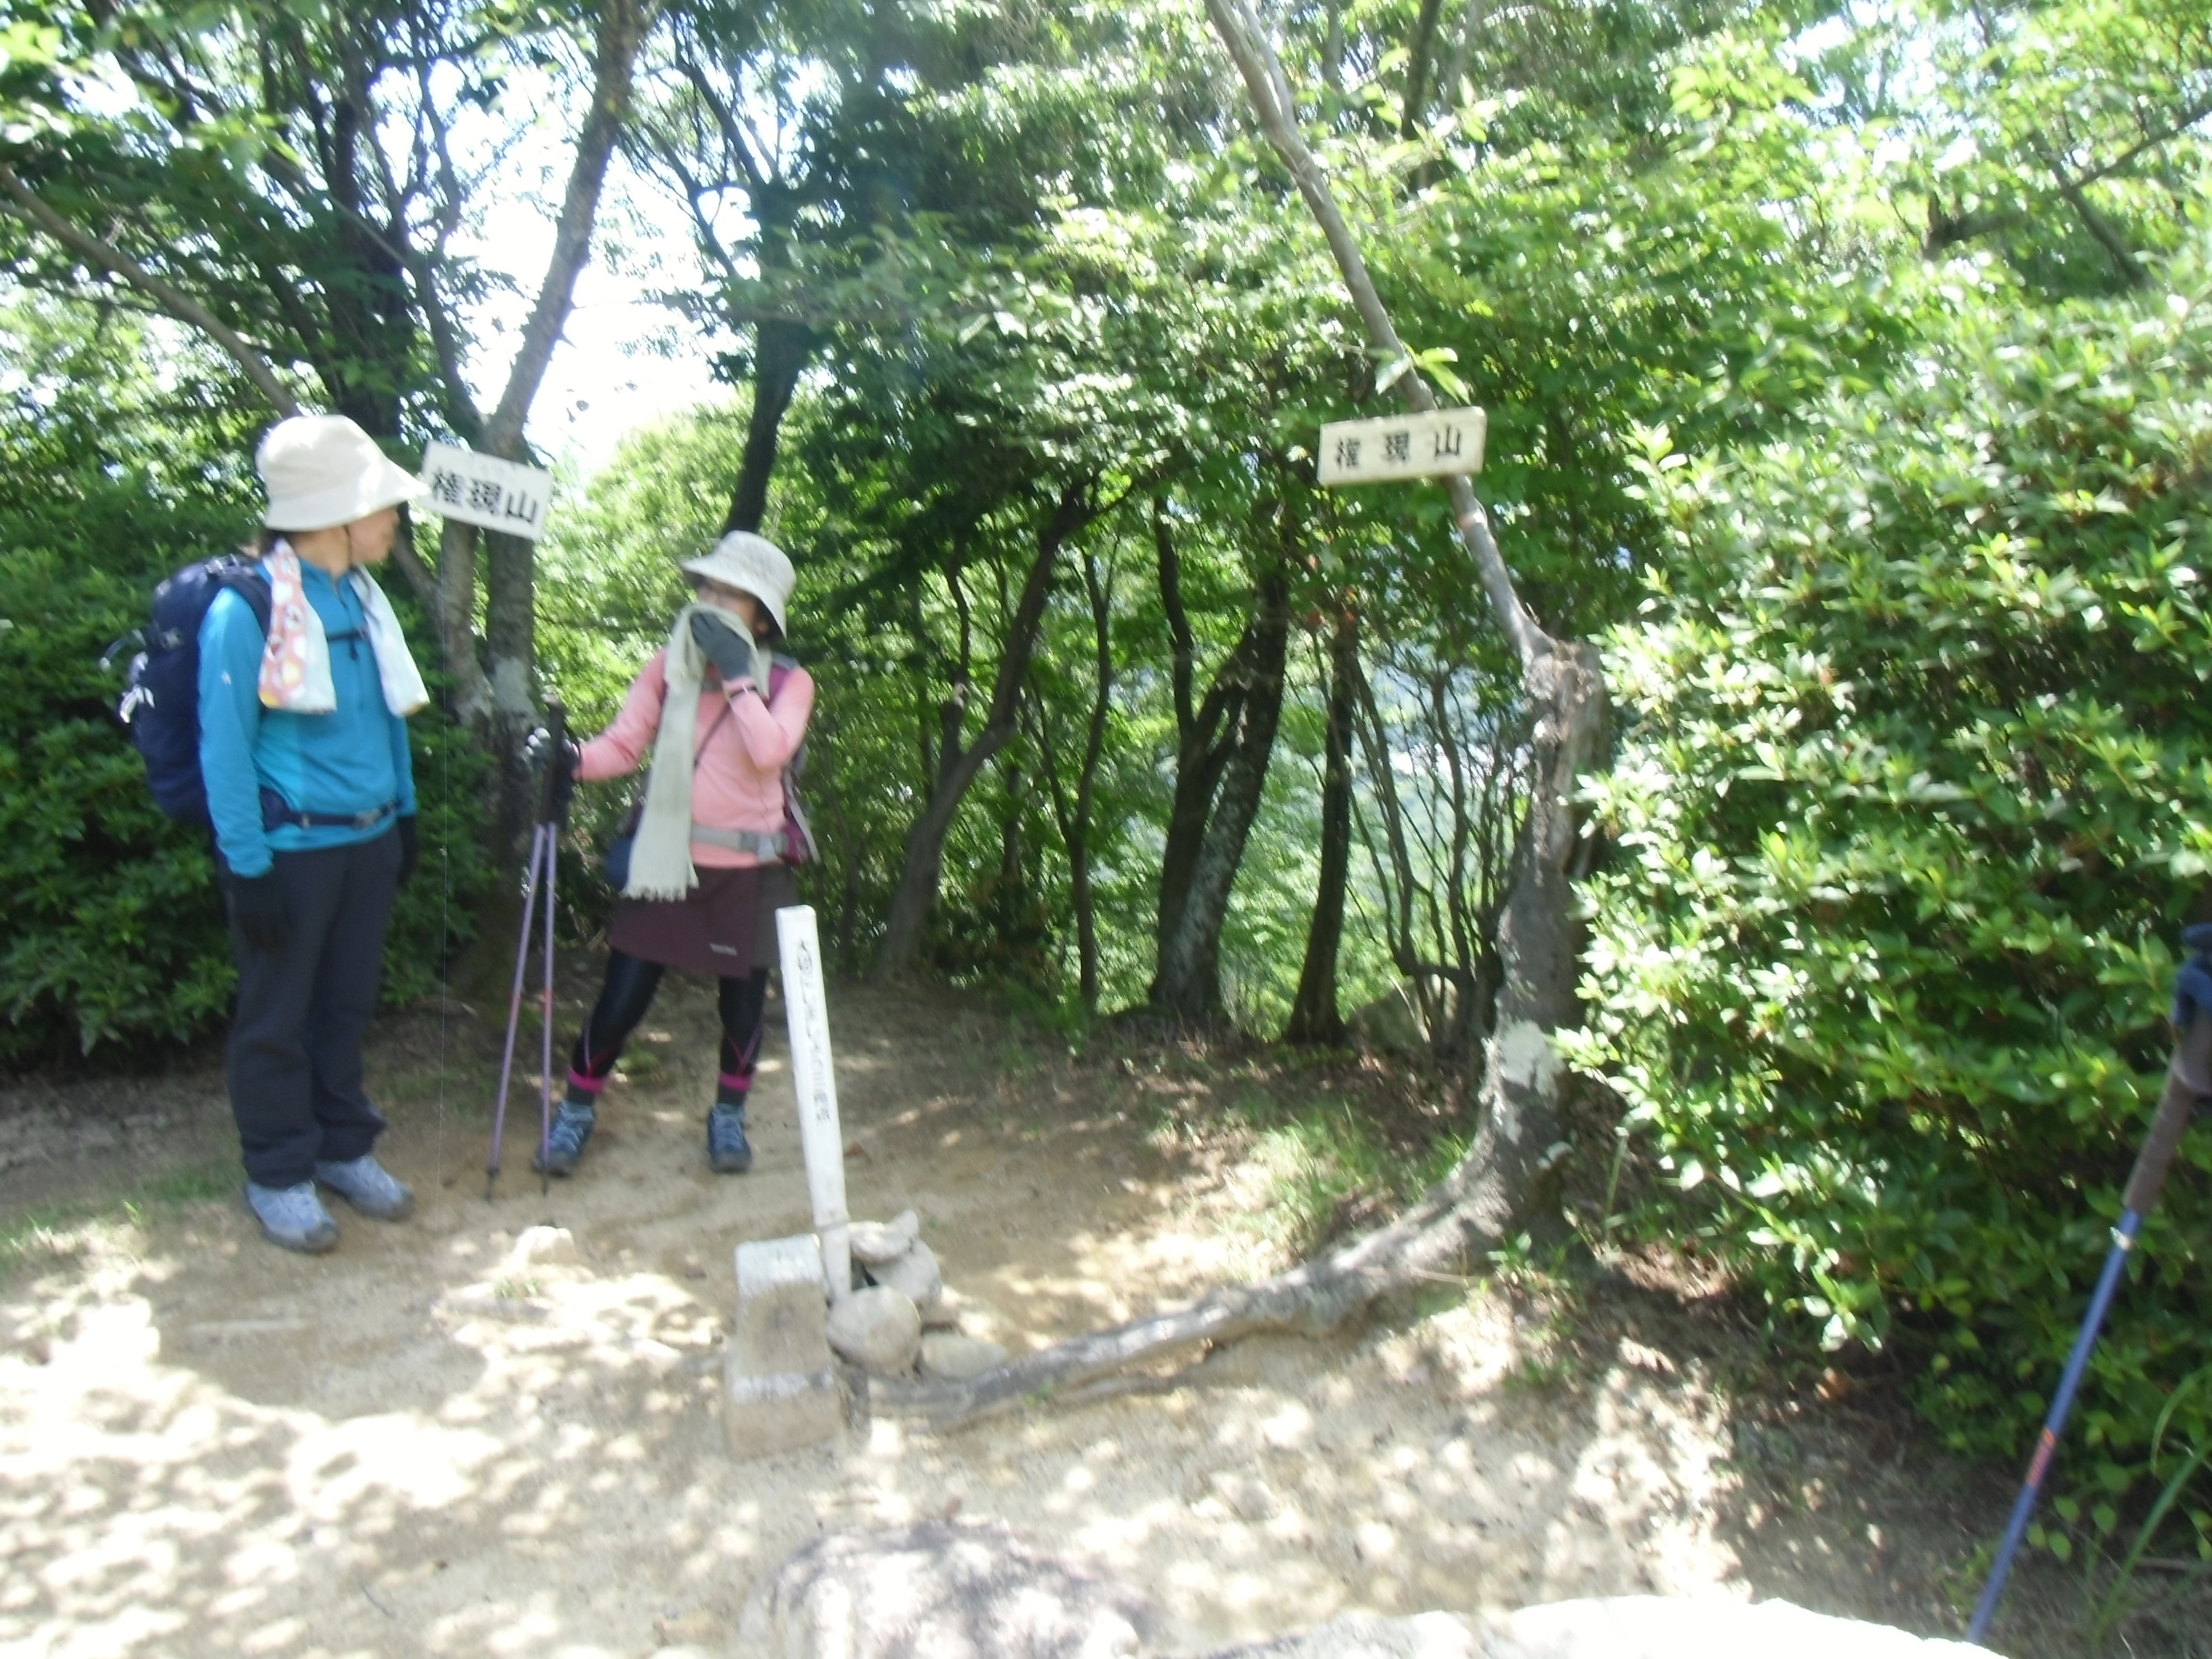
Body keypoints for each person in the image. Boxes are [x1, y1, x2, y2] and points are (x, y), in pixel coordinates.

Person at [201, 414, 430, 1254]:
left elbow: (388, 716)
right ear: (335, 514)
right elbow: (225, 750)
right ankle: (277, 1172)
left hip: (368, 840)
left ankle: (342, 1148)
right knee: (276, 1018)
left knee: (345, 1005)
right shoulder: (247, 608)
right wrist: (247, 867)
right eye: (382, 505)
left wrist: (404, 814)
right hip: (290, 852)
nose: (395, 519)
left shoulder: (362, 597)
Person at [528, 531, 813, 1177]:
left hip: (752, 871)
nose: (710, 600)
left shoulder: (790, 681)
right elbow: (623, 746)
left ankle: (729, 1118)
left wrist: (737, 677)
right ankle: (576, 1112)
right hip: (666, 863)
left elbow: (770, 751)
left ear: (761, 618)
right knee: (621, 1000)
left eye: (731, 594)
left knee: (742, 1010)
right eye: (707, 587)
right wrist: (569, 759)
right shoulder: (670, 667)